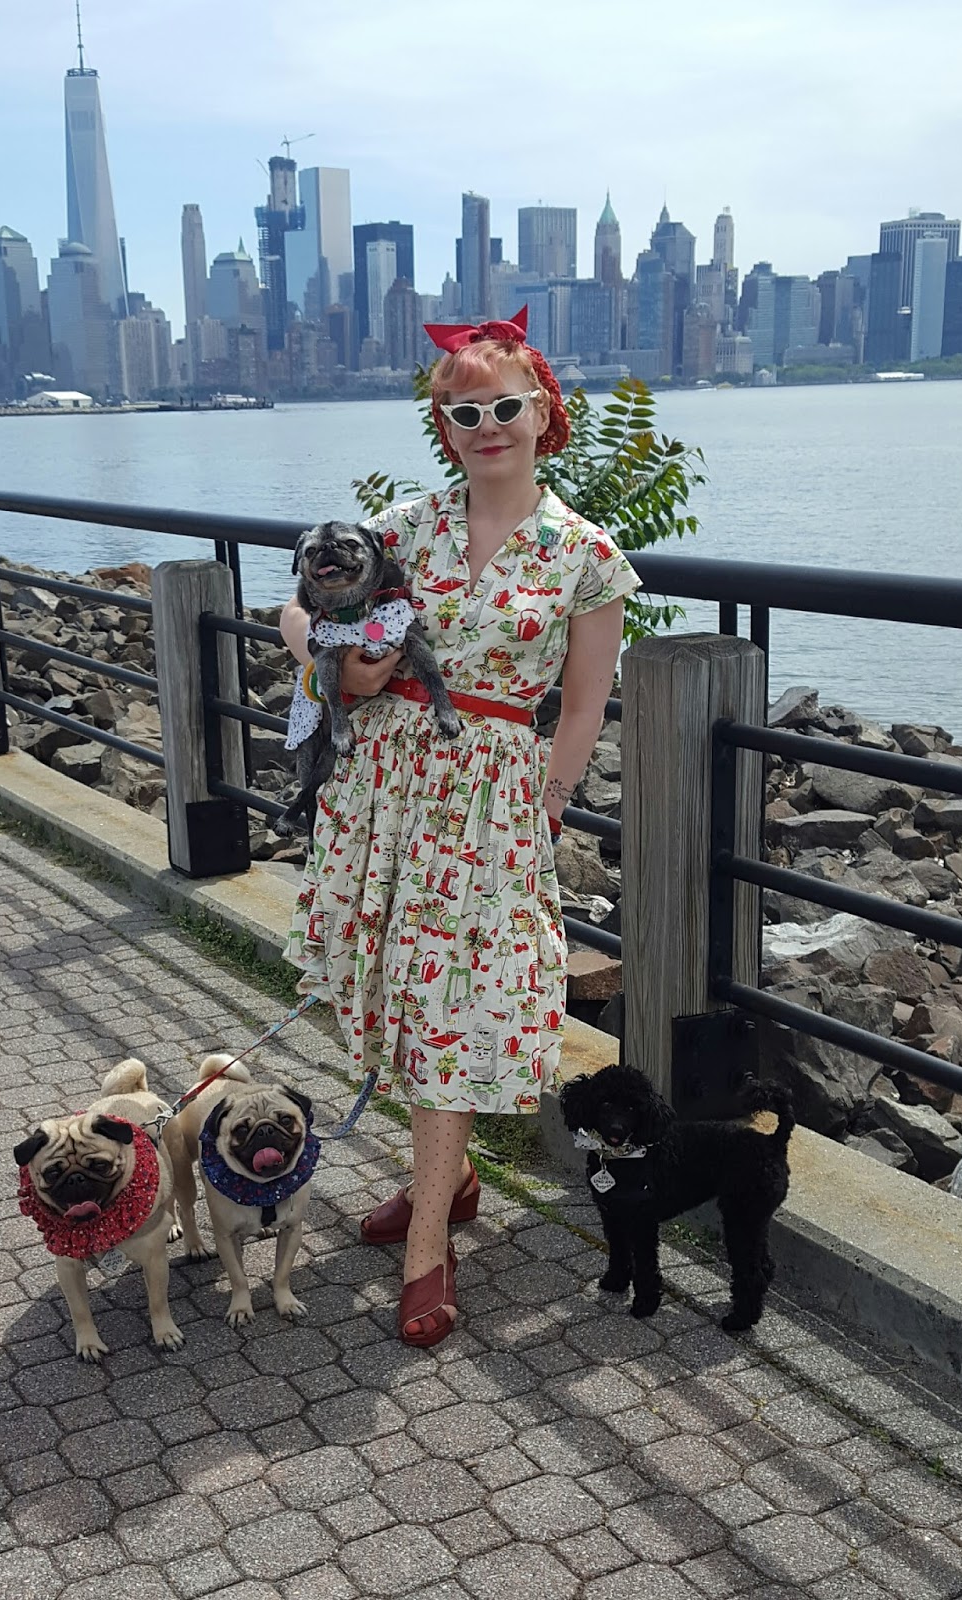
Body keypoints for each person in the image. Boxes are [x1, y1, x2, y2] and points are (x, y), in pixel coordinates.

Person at [281, 308, 639, 1346]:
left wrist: (551, 799)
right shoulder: (401, 526)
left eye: (503, 407)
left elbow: (583, 701)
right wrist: (342, 668)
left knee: (453, 1003)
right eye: (462, 413)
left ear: (544, 414)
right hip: (383, 784)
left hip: (490, 797)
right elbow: (296, 610)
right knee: (400, 988)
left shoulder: (585, 553)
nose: (486, 428)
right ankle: (451, 1179)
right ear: (443, 428)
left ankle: (429, 1241)